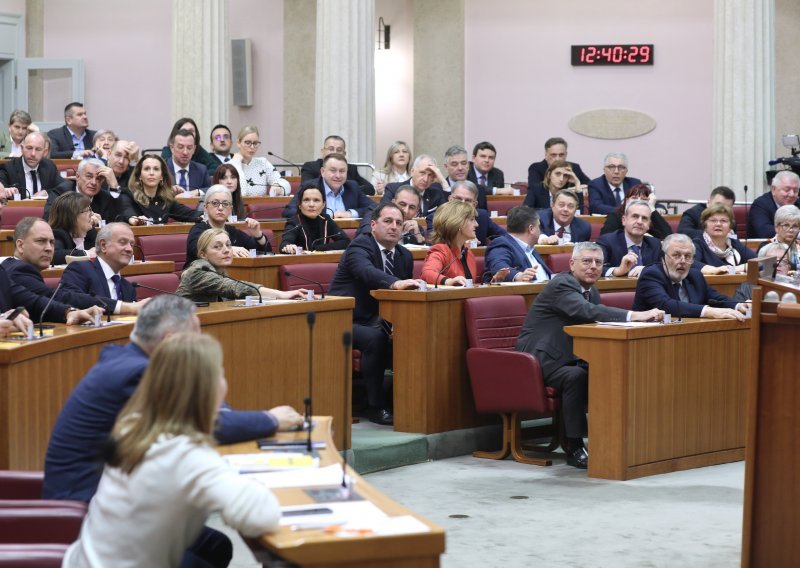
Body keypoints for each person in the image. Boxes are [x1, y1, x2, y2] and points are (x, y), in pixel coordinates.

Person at [43, 294, 302, 503]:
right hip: (84, 504)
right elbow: (200, 424)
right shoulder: (138, 373)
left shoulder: (125, 357)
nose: (200, 342)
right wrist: (271, 419)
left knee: (215, 545)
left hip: (106, 492)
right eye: (196, 334)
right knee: (210, 546)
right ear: (170, 342)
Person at [60, 332, 284, 567]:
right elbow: (262, 516)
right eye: (220, 372)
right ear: (206, 388)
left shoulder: (133, 426)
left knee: (216, 546)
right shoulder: (184, 454)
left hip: (86, 560)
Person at [516, 242, 664, 469]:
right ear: (572, 264)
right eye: (586, 261)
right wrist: (635, 315)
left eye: (597, 262)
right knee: (576, 376)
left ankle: (617, 439)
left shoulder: (590, 289)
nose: (593, 267)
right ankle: (575, 446)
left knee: (610, 370)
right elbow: (588, 312)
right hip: (541, 361)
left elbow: (596, 323)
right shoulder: (562, 284)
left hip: (570, 356)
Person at [328, 202, 422, 425]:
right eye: (388, 221)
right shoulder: (360, 246)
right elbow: (367, 273)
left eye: (399, 223)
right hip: (344, 319)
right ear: (373, 225)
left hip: (378, 319)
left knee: (412, 334)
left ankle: (409, 402)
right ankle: (375, 406)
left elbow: (400, 299)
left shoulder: (404, 255)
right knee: (376, 339)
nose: (394, 227)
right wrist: (396, 283)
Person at [632, 233, 747, 319]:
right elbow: (666, 305)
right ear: (663, 257)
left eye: (687, 256)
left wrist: (738, 305)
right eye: (676, 255)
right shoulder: (651, 275)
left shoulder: (695, 275)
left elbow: (716, 298)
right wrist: (708, 311)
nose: (682, 261)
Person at [2, 217, 107, 310]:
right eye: (40, 241)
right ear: (20, 246)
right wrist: (113, 305)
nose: (49, 248)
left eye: (52, 242)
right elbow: (57, 298)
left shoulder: (13, 266)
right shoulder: (19, 270)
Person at [178, 228, 307, 303]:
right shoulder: (198, 270)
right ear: (203, 254)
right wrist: (281, 295)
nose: (226, 250)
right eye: (217, 247)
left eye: (228, 245)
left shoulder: (219, 270)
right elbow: (235, 287)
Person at [60, 223, 146, 315]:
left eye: (132, 244)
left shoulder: (128, 287)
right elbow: (69, 299)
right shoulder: (80, 270)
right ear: (103, 245)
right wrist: (123, 307)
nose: (129, 249)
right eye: (122, 242)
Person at [185, 185, 272, 266]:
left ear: (230, 209)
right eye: (215, 203)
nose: (220, 208)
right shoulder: (197, 230)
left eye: (225, 204)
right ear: (205, 207)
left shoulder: (233, 232)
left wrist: (258, 236)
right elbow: (200, 251)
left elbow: (265, 253)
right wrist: (228, 249)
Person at [283, 153, 373, 218]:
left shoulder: (352, 187)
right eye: (333, 170)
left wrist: (350, 213)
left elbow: (375, 208)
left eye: (342, 171)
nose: (338, 176)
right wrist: (318, 215)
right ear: (322, 172)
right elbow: (289, 211)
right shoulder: (309, 187)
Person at [120, 154, 202, 225]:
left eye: (156, 169)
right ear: (139, 176)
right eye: (147, 169)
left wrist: (205, 215)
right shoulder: (128, 195)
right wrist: (134, 219)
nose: (151, 173)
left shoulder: (166, 200)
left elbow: (190, 214)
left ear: (162, 176)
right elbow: (127, 212)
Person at [484, 205, 551, 283]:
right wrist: (517, 276)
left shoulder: (531, 249)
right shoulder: (501, 244)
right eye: (538, 226)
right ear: (531, 229)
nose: (540, 230)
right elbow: (499, 266)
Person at [420, 200, 479, 286]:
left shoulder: (467, 252)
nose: (476, 224)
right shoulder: (440, 251)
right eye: (472, 219)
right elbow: (427, 273)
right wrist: (448, 281)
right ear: (458, 223)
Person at [597, 199, 661, 277]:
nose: (640, 222)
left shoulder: (655, 244)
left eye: (644, 218)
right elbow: (596, 267)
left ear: (649, 224)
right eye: (635, 216)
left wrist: (647, 270)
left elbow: (663, 268)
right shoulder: (607, 241)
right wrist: (618, 270)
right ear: (624, 220)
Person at [432, 180, 505, 246]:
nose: (462, 203)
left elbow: (505, 237)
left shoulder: (482, 217)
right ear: (450, 199)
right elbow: (435, 242)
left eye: (467, 200)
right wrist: (462, 242)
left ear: (474, 204)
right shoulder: (437, 217)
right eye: (458, 199)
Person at [280, 185, 349, 253]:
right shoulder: (294, 222)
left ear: (323, 205)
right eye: (306, 200)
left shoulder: (326, 220)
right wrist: (288, 247)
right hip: (301, 262)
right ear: (300, 205)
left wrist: (317, 249)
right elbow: (285, 244)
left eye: (316, 200)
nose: (311, 205)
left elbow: (346, 242)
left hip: (324, 262)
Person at [0, 131, 69, 199]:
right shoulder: (8, 168)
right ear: (22, 148)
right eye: (29, 148)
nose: (33, 154)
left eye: (38, 149)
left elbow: (66, 185)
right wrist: (5, 190)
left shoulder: (48, 166)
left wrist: (47, 192)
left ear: (45, 152)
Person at [301, 135, 375, 195]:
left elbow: (370, 189)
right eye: (331, 149)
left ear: (344, 154)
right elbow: (307, 187)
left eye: (339, 150)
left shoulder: (350, 169)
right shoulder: (311, 167)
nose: (335, 152)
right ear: (322, 151)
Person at [692, 204, 755, 273]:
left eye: (723, 221)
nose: (718, 224)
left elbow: (758, 262)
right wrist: (714, 270)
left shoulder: (734, 243)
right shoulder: (698, 244)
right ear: (705, 225)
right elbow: (691, 263)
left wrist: (733, 270)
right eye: (713, 220)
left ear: (730, 226)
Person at [230, 125, 290, 197]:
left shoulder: (263, 163)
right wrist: (237, 163)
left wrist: (278, 187)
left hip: (261, 206)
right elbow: (242, 194)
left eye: (255, 143)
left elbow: (285, 184)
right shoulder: (229, 166)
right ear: (238, 143)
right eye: (248, 142)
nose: (252, 147)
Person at [600, 183, 672, 240]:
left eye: (643, 199)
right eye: (634, 198)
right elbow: (605, 238)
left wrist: (652, 208)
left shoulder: (652, 217)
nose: (638, 201)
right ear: (627, 200)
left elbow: (668, 238)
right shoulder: (616, 216)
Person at [381, 154, 447, 216]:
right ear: (412, 171)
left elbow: (448, 217)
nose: (425, 179)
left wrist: (443, 181)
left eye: (430, 175)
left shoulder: (436, 194)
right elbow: (382, 214)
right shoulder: (393, 189)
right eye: (422, 173)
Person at [358, 185, 425, 245]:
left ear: (416, 211)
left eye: (412, 207)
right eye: (402, 204)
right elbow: (365, 237)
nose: (406, 211)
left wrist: (419, 237)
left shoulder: (416, 229)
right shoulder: (375, 213)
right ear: (393, 203)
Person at [747, 170, 800, 238]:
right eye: (787, 190)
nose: (792, 194)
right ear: (773, 189)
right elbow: (764, 231)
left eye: (795, 191)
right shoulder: (760, 204)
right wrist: (796, 234)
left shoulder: (798, 203)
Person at [49, 192, 97, 264]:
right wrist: (87, 253)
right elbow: (53, 254)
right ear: (72, 216)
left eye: (90, 209)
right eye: (87, 210)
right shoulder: (58, 234)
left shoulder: (90, 232)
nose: (92, 214)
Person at [527, 136, 591, 188]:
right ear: (546, 155)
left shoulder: (574, 167)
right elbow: (534, 188)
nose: (557, 159)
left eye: (561, 155)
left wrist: (577, 182)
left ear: (566, 155)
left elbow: (591, 186)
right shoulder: (536, 168)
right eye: (553, 155)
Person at [166, 127, 213, 197]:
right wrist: (168, 191)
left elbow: (211, 189)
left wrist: (198, 192)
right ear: (172, 148)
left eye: (189, 148)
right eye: (180, 147)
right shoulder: (162, 168)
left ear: (194, 149)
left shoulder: (201, 170)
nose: (185, 152)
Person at [757, 204, 800, 270]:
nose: (791, 230)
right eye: (786, 225)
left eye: (795, 226)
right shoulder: (767, 246)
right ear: (776, 227)